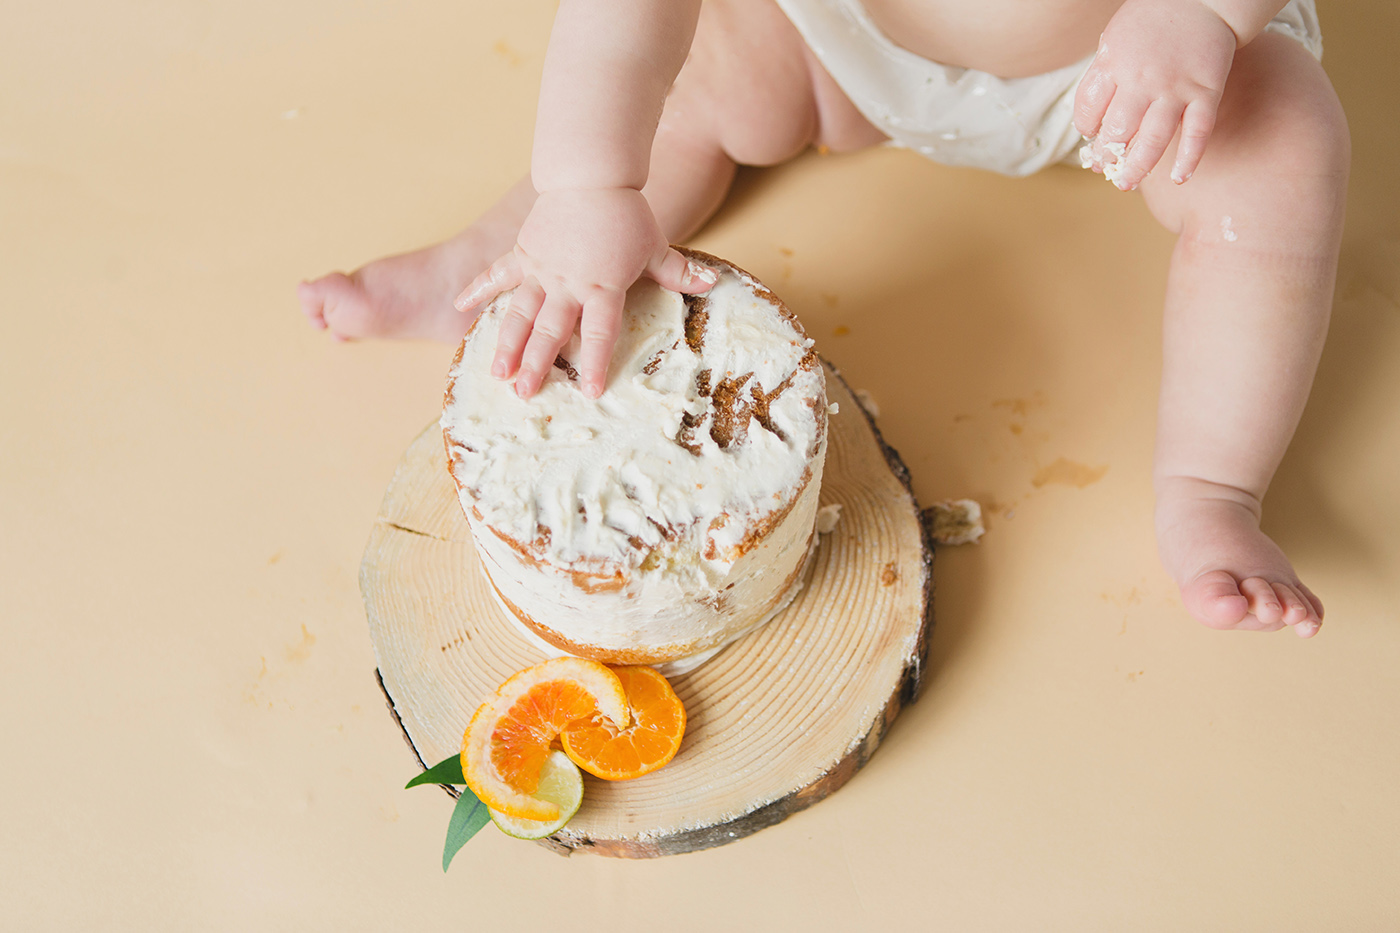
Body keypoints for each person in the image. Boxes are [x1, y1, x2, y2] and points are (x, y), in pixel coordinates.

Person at [299, 0, 1347, 638]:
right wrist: (584, 187)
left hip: (1134, 65)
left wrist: (1202, 15)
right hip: (844, 40)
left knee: (1283, 151)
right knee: (697, 78)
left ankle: (1211, 488)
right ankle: (497, 266)